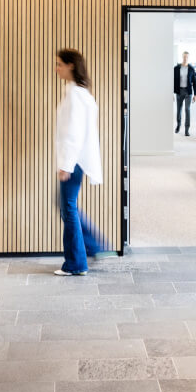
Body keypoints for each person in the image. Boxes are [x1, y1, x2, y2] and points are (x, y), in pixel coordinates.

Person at [53, 48, 107, 276]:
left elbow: (73, 133)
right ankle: (94, 247)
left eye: (59, 64)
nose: (56, 69)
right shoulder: (80, 92)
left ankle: (77, 263)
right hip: (77, 161)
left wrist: (66, 164)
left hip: (73, 162)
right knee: (67, 207)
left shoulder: (75, 95)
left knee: (68, 209)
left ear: (70, 65)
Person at [172, 51, 196, 136]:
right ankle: (178, 126)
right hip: (179, 91)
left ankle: (187, 129)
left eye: (187, 57)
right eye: (184, 56)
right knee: (179, 110)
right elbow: (173, 81)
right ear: (182, 57)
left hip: (188, 92)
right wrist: (172, 93)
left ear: (188, 58)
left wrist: (195, 95)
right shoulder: (176, 68)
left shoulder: (191, 69)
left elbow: (194, 82)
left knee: (187, 109)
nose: (185, 58)